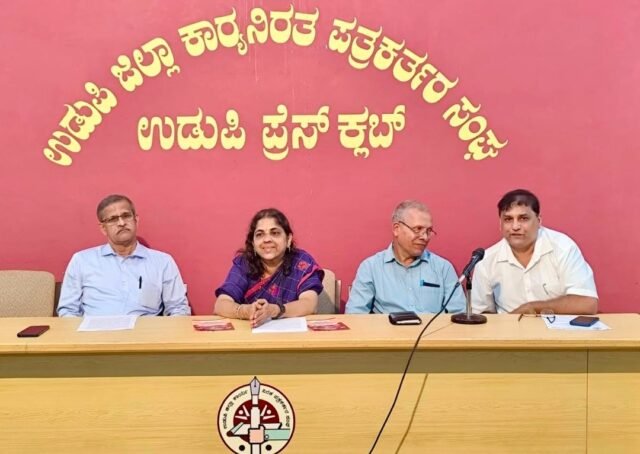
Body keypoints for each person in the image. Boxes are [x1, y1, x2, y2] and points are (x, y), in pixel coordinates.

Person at [57, 194, 191, 317]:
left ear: (136, 220)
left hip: (146, 333)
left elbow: (178, 308)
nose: (121, 223)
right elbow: (68, 310)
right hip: (96, 333)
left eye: (126, 216)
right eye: (113, 219)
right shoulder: (82, 261)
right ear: (103, 228)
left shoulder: (162, 262)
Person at [471, 189, 598, 315]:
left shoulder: (563, 248)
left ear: (539, 221)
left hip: (558, 327)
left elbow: (587, 303)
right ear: (500, 224)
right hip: (510, 327)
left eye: (523, 218)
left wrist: (533, 307)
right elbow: (481, 314)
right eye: (508, 219)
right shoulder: (485, 262)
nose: (515, 227)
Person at [345, 200, 465, 314]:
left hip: (434, 329)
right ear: (396, 229)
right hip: (387, 329)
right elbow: (355, 315)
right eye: (418, 229)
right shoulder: (371, 268)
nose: (424, 237)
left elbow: (459, 314)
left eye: (428, 231)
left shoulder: (443, 268)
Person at [214, 208, 324, 327]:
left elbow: (309, 304)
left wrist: (275, 310)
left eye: (275, 233)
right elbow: (220, 304)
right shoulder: (244, 264)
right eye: (260, 234)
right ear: (253, 243)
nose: (267, 240)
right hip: (249, 332)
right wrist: (247, 311)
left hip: (293, 335)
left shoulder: (302, 262)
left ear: (288, 239)